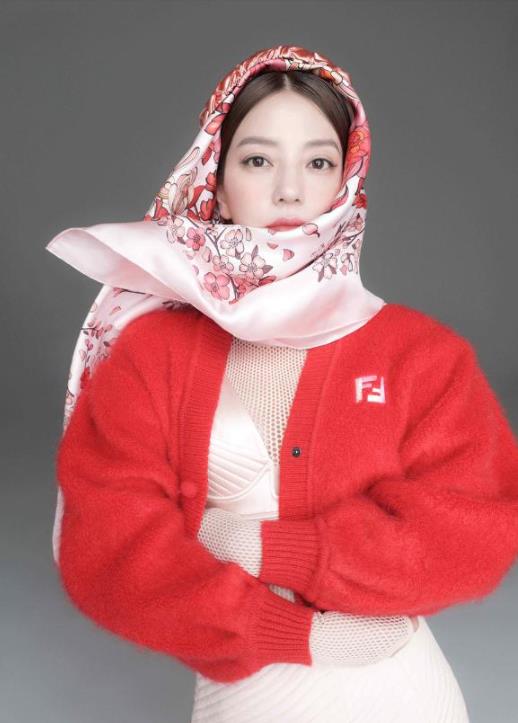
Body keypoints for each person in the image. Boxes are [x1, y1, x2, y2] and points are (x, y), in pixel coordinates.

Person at [46, 46, 518, 722]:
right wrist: (294, 634)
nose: (290, 191)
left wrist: (263, 545)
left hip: (396, 686)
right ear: (215, 180)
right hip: (245, 696)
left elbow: (476, 533)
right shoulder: (151, 354)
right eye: (258, 161)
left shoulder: (422, 356)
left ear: (347, 182)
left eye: (318, 162)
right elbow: (106, 553)